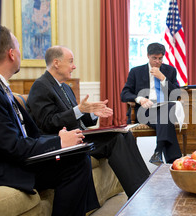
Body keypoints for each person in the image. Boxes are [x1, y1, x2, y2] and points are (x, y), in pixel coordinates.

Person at [0, 26, 101, 216]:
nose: (19, 53)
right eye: (19, 48)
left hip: (10, 155)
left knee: (79, 154)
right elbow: (14, 147)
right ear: (11, 53)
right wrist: (59, 142)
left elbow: (29, 135)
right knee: (75, 160)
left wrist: (64, 142)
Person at [27, 46, 150, 198]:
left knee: (125, 134)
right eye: (71, 62)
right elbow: (48, 123)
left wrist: (91, 113)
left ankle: (146, 184)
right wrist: (79, 109)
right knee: (115, 139)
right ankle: (138, 194)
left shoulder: (65, 87)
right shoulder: (41, 86)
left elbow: (76, 116)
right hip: (64, 143)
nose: (74, 66)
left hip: (81, 135)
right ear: (56, 63)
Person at [121, 43, 182, 165]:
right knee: (166, 117)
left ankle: (158, 152)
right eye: (154, 58)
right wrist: (140, 99)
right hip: (145, 110)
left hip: (164, 108)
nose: (157, 62)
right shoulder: (136, 71)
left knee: (167, 109)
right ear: (148, 56)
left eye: (160, 58)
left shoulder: (170, 71)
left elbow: (177, 94)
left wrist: (163, 79)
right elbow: (125, 94)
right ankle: (173, 161)